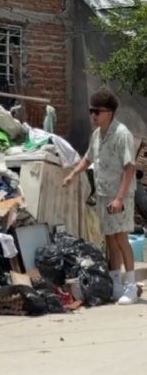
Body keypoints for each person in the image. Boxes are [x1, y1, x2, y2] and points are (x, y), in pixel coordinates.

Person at [63, 88, 137, 304]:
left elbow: (129, 167)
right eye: (91, 111)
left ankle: (131, 286)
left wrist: (120, 198)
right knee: (109, 239)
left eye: (97, 111)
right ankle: (115, 285)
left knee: (121, 238)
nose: (93, 115)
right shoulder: (96, 135)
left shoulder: (122, 134)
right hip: (104, 194)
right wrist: (72, 175)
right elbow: (87, 159)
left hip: (119, 195)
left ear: (110, 113)